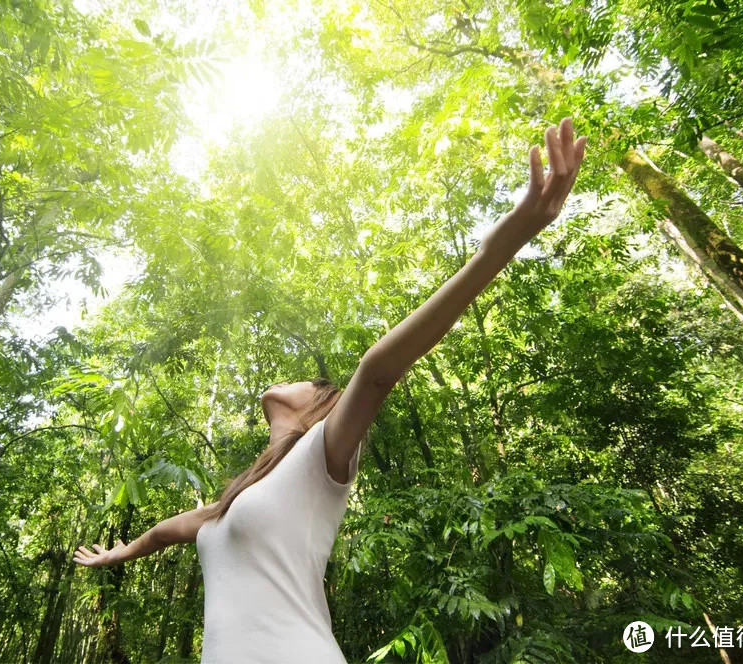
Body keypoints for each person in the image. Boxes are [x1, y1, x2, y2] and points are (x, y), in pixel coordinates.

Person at [73, 117, 588, 662]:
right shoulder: (232, 503)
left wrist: (503, 242)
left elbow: (377, 371)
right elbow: (166, 531)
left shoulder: (322, 455)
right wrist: (120, 553)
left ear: (319, 407)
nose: (288, 379)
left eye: (308, 381)